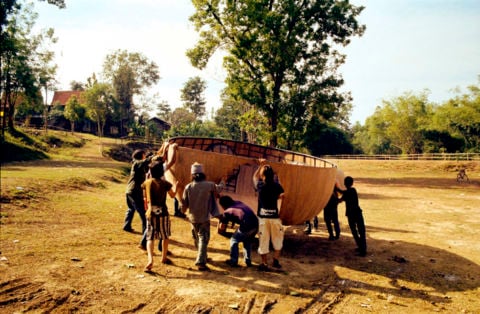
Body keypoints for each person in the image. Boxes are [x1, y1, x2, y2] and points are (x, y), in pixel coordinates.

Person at [181, 162, 224, 271]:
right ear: (202, 174)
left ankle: (203, 256)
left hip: (193, 218)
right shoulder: (209, 185)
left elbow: (184, 204)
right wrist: (223, 180)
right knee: (203, 239)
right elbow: (219, 189)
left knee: (197, 238)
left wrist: (183, 211)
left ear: (192, 175)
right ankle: (200, 262)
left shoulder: (188, 187)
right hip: (204, 218)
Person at [142, 161, 176, 272]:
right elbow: (172, 195)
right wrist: (178, 185)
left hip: (150, 213)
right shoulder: (165, 183)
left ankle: (150, 260)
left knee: (150, 237)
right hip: (163, 213)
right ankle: (164, 257)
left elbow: (145, 198)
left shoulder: (146, 183)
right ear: (162, 172)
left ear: (150, 171)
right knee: (165, 236)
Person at [253, 161, 285, 271]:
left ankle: (264, 263)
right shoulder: (277, 186)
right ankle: (275, 260)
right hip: (275, 218)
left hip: (262, 218)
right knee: (278, 239)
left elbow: (254, 177)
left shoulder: (260, 185)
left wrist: (260, 166)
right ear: (273, 175)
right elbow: (282, 195)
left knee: (263, 240)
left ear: (262, 175)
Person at [218, 195, 259, 267]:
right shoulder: (238, 202)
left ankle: (233, 261)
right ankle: (248, 261)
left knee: (234, 240)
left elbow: (222, 228)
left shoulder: (227, 211)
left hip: (247, 226)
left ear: (223, 205)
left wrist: (220, 220)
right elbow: (238, 215)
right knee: (247, 241)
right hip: (256, 224)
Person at [123, 149, 154, 242]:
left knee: (130, 209)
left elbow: (146, 166)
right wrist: (156, 155)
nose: (145, 156)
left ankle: (126, 226)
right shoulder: (137, 163)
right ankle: (145, 237)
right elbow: (146, 161)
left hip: (129, 191)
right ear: (141, 155)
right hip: (135, 192)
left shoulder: (136, 164)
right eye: (144, 154)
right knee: (144, 215)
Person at [337, 176, 367, 256]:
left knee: (355, 231)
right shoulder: (353, 190)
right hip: (358, 213)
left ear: (344, 183)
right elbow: (343, 193)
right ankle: (362, 247)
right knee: (361, 231)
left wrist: (334, 189)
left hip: (351, 215)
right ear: (352, 183)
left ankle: (362, 249)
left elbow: (340, 198)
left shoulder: (347, 193)